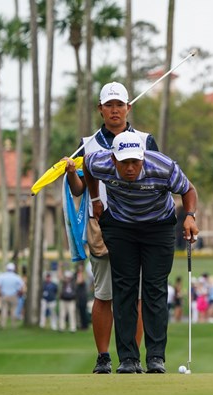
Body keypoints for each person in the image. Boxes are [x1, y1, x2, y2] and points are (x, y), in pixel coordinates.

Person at [82, 130, 199, 374]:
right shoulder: (100, 161)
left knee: (154, 289)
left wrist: (189, 216)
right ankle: (128, 359)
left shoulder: (163, 166)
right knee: (124, 289)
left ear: (143, 158)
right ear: (113, 160)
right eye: (124, 162)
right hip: (121, 226)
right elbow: (87, 165)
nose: (130, 168)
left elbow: (188, 190)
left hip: (158, 227)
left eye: (135, 161)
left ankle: (156, 357)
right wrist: (95, 199)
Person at [64, 82, 157, 373]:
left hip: (139, 224)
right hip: (101, 227)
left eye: (120, 105)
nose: (115, 110)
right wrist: (70, 174)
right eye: (109, 105)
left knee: (138, 296)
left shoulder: (145, 140)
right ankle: (103, 357)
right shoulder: (86, 143)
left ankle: (133, 358)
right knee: (105, 294)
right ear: (100, 109)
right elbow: (79, 189)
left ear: (128, 107)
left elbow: (157, 178)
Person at [0, 262, 25, 329]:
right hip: (14, 295)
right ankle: (13, 325)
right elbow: (22, 286)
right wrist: (20, 293)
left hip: (4, 295)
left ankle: (3, 325)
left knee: (4, 310)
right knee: (14, 310)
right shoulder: (16, 277)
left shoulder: (2, 276)